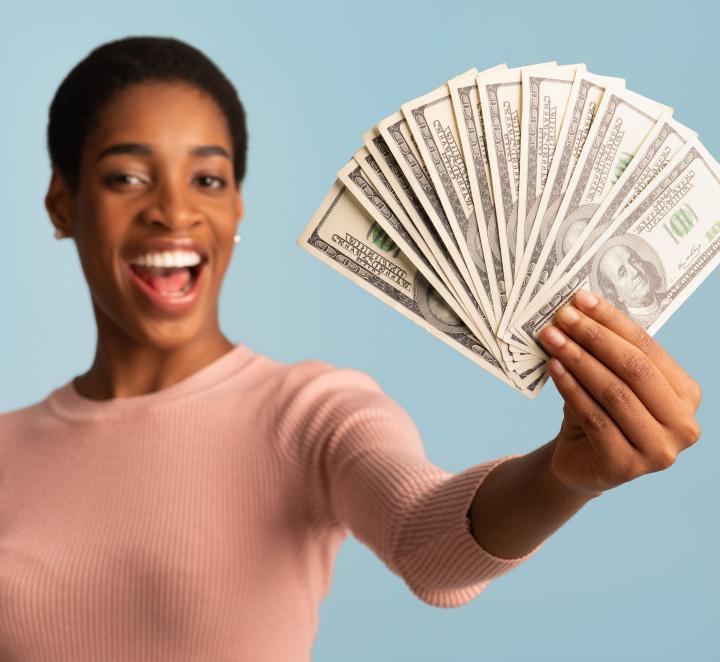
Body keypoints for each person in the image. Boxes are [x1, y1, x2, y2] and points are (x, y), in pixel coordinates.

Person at [0, 36, 701, 661]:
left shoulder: (311, 413)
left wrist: (562, 478)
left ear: (236, 208)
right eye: (127, 176)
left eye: (208, 179)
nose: (174, 211)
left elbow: (426, 543)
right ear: (63, 204)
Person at [596, 242, 667, 326]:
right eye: (623, 273)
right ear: (616, 293)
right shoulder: (626, 329)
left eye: (633, 261)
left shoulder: (670, 296)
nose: (635, 272)